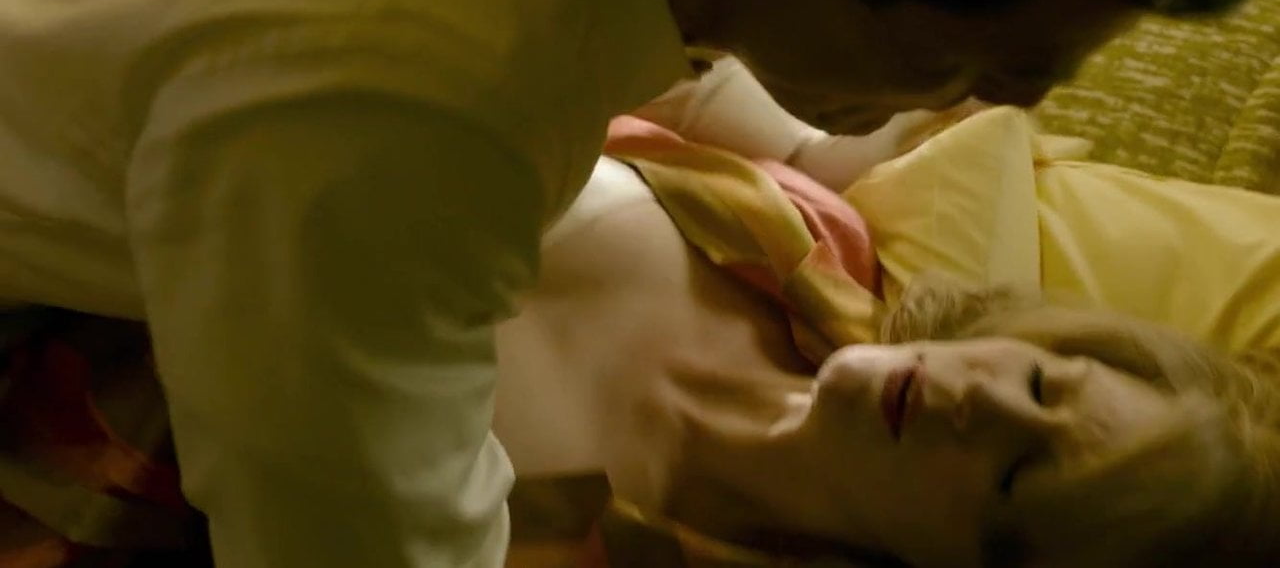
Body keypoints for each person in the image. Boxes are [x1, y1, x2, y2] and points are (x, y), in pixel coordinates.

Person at [1, 0, 1277, 566]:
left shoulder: (798, 240)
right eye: (972, 60)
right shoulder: (405, 97)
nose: (997, 109)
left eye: (1014, 487)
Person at [493, 84, 1280, 566]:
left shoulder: (589, 543)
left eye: (1014, 476)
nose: (986, 400)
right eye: (1043, 383)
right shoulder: (816, 244)